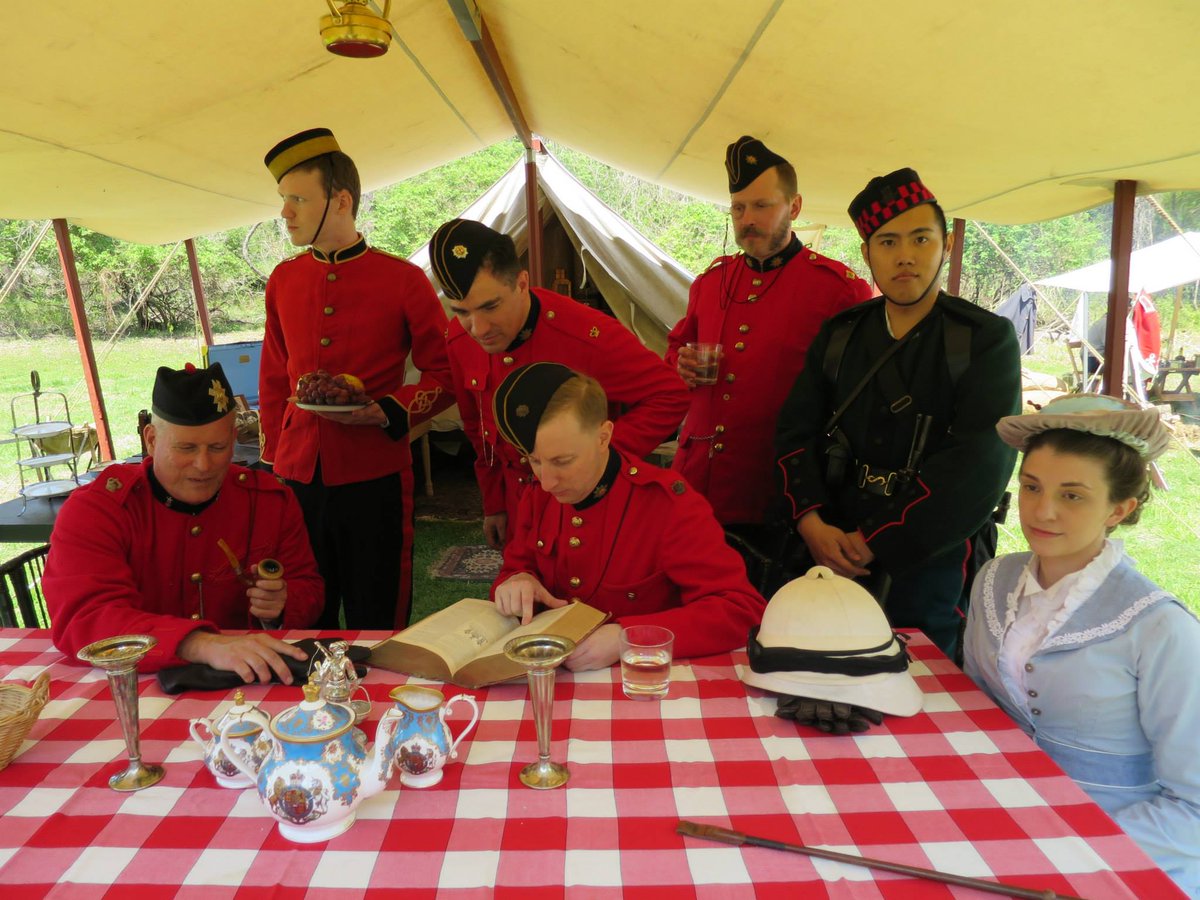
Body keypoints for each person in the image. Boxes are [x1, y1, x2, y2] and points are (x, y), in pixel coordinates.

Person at [775, 168, 1021, 659]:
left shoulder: (983, 340)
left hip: (930, 555)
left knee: (924, 686)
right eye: (886, 242)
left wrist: (875, 541)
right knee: (817, 669)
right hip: (829, 545)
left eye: (920, 238)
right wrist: (810, 522)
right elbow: (794, 432)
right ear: (867, 254)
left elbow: (978, 467)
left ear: (945, 244)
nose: (905, 255)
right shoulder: (840, 336)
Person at [963, 394, 1199, 896]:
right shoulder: (994, 580)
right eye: (1031, 487)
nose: (1042, 511)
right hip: (999, 821)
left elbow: (1194, 806)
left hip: (1125, 847)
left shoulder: (1159, 628)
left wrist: (1060, 845)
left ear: (1120, 508)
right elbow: (976, 712)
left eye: (1072, 495)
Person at [259, 128, 455, 630]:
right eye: (284, 200)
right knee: (304, 614)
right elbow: (275, 375)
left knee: (377, 616)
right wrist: (273, 459)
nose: (286, 212)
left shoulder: (402, 280)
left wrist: (390, 410)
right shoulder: (284, 280)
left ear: (341, 201)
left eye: (298, 199)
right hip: (299, 475)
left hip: (374, 476)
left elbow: (447, 369)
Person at [44, 363, 323, 681]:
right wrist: (198, 644)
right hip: (133, 682)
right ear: (151, 439)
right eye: (186, 448)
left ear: (234, 438)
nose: (204, 465)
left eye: (218, 448)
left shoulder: (269, 501)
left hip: (246, 682)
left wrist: (282, 603)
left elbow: (308, 588)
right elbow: (85, 617)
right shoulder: (98, 509)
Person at [431, 218, 689, 549]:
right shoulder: (457, 340)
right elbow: (476, 426)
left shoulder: (586, 335)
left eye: (490, 307)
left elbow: (670, 395)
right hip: (516, 505)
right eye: (461, 312)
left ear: (521, 283)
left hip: (587, 507)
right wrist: (493, 504)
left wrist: (594, 457)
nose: (478, 329)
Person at [490, 363, 767, 670]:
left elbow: (741, 609)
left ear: (603, 437)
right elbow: (517, 566)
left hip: (644, 684)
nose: (547, 481)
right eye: (535, 461)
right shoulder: (538, 496)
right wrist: (517, 581)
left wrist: (630, 636)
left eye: (563, 461)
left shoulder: (667, 505)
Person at [665, 136, 871, 532]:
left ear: (794, 207)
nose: (747, 219)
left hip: (775, 495)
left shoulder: (838, 290)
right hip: (693, 487)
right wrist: (680, 364)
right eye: (738, 208)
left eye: (761, 205)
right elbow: (675, 349)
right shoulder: (711, 281)